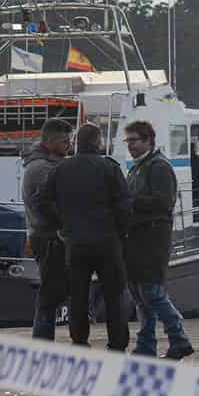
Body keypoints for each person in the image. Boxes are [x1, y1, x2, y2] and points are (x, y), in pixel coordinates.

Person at [39, 123, 133, 351]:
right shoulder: (109, 168)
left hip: (76, 244)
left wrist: (60, 223)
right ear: (98, 142)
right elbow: (124, 205)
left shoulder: (61, 169)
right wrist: (121, 233)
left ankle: (80, 341)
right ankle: (117, 343)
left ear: (77, 142)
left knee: (78, 297)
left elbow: (41, 200)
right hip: (107, 243)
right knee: (114, 296)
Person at [121, 119, 192, 360]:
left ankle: (179, 338)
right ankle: (146, 345)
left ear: (148, 140)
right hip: (137, 240)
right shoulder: (138, 167)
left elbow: (163, 203)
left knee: (152, 293)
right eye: (127, 141)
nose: (129, 145)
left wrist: (129, 203)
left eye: (134, 140)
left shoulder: (159, 167)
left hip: (152, 240)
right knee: (140, 295)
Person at [22, 118, 74, 340]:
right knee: (49, 296)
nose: (69, 146)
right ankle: (42, 343)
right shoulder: (41, 169)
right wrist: (65, 225)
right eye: (64, 141)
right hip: (48, 238)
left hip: (45, 236)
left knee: (50, 294)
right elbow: (46, 204)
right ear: (50, 141)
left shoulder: (41, 164)